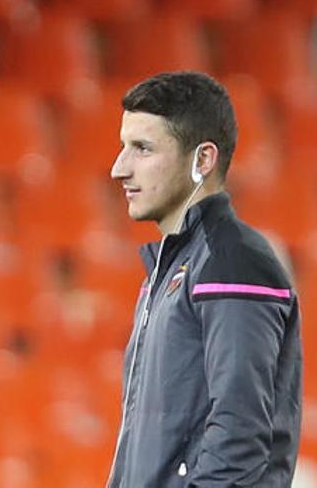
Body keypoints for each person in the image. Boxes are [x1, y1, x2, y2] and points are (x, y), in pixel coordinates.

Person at [106, 71, 302, 486]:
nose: (118, 169)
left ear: (203, 160)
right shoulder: (170, 270)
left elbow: (242, 434)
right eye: (123, 147)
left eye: (142, 148)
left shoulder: (232, 263)